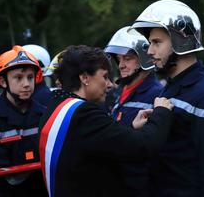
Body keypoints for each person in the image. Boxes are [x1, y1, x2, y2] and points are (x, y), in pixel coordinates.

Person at [130, 0, 204, 196]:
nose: (149, 51)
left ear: (182, 40)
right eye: (149, 43)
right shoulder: (171, 88)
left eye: (157, 43)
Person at [38, 45, 174, 197]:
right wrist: (161, 112)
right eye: (104, 77)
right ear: (84, 78)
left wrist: (130, 127)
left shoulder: (55, 106)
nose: (110, 84)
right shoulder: (84, 114)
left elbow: (98, 143)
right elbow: (142, 146)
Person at [104, 26, 163, 197]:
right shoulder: (119, 92)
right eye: (119, 59)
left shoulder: (156, 94)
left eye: (127, 59)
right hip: (120, 182)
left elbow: (151, 145)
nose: (121, 65)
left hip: (142, 185)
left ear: (144, 59)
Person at [0, 45, 47, 196]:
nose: (26, 84)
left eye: (30, 77)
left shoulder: (46, 115)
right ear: (3, 82)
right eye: (18, 77)